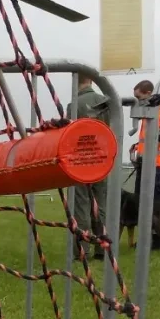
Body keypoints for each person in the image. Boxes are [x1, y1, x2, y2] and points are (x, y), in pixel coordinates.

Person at [72, 73, 110, 260]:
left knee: (81, 206)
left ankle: (82, 250)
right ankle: (102, 248)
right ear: (91, 81)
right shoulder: (106, 102)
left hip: (80, 162)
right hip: (102, 161)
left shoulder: (74, 105)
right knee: (100, 205)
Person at [131, 79, 160, 204]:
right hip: (145, 163)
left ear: (148, 93)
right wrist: (138, 147)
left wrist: (146, 157)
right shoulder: (148, 112)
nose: (137, 101)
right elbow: (148, 138)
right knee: (139, 200)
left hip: (156, 164)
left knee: (157, 202)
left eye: (138, 97)